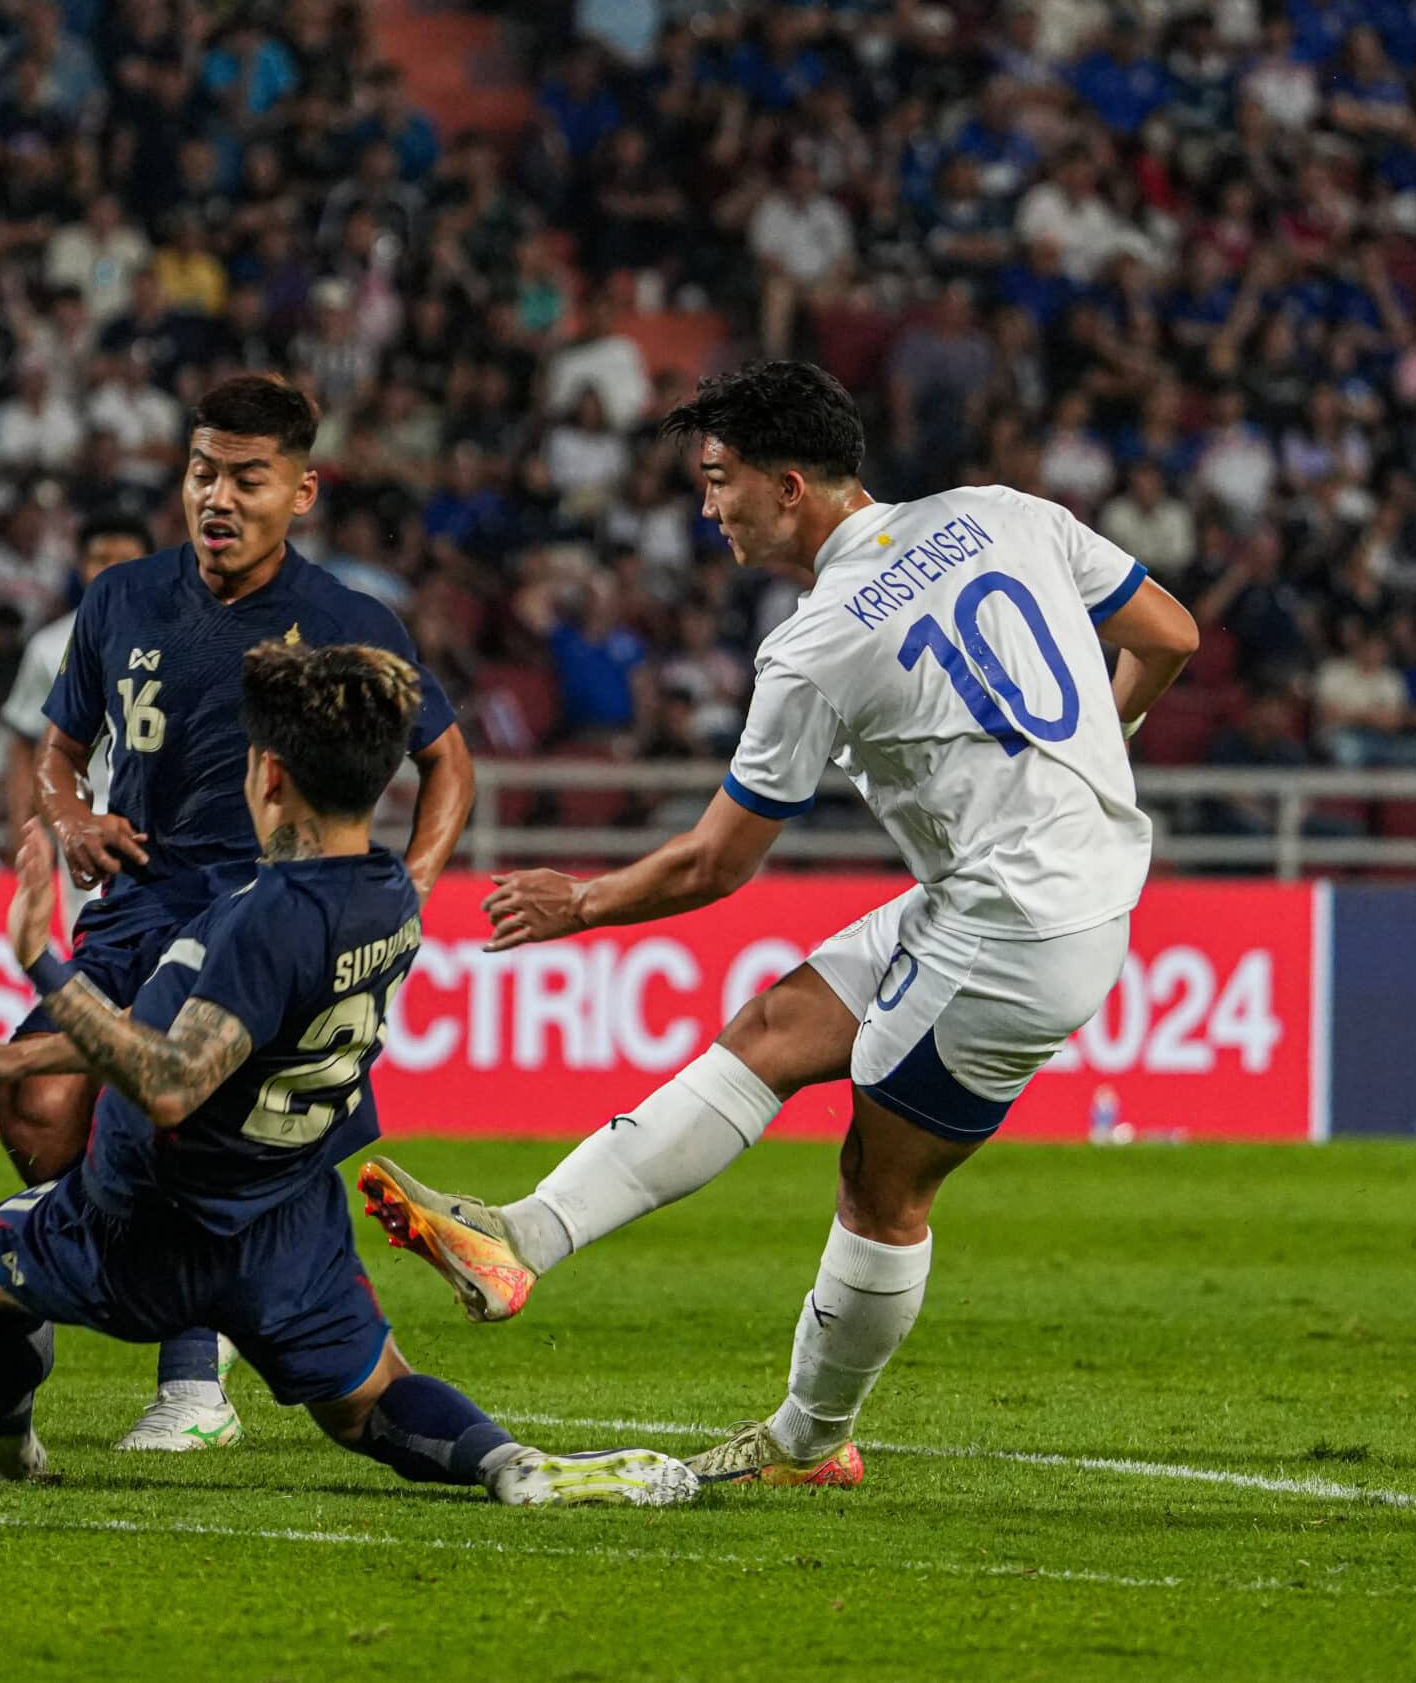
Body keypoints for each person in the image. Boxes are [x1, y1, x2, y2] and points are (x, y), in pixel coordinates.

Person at [358, 361, 1198, 1489]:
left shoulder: (818, 642)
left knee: (882, 1188)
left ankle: (806, 1443)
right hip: (1031, 888)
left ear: (789, 487)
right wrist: (1098, 739)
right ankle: (522, 1239)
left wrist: (582, 904)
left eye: (719, 482)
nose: (708, 508)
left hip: (1013, 930)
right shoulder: (1004, 512)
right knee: (773, 1028)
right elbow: (1171, 632)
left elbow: (715, 863)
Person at [0, 642, 693, 1509]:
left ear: (267, 774)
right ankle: (510, 1463)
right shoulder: (386, 891)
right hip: (289, 1220)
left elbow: (171, 1080)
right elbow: (214, 1035)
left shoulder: (269, 921)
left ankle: (0, 1436)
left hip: (152, 1220)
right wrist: (31, 1051)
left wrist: (42, 963)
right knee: (370, 1397)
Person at [0, 374, 476, 1453]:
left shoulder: (349, 621)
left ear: (302, 491)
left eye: (248, 479)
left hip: (268, 921)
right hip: (136, 908)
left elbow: (448, 765)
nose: (218, 496)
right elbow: (59, 748)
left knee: (190, 1130)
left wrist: (412, 898)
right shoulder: (119, 599)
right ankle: (128, 1281)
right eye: (202, 471)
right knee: (34, 1113)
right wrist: (67, 817)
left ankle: (192, 1375)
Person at [0, 513, 152, 927]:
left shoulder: (185, 639)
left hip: (163, 830)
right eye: (100, 558)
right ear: (80, 566)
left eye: (126, 558)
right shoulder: (49, 648)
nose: (113, 568)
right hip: (86, 834)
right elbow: (25, 748)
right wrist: (23, 834)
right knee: (92, 970)